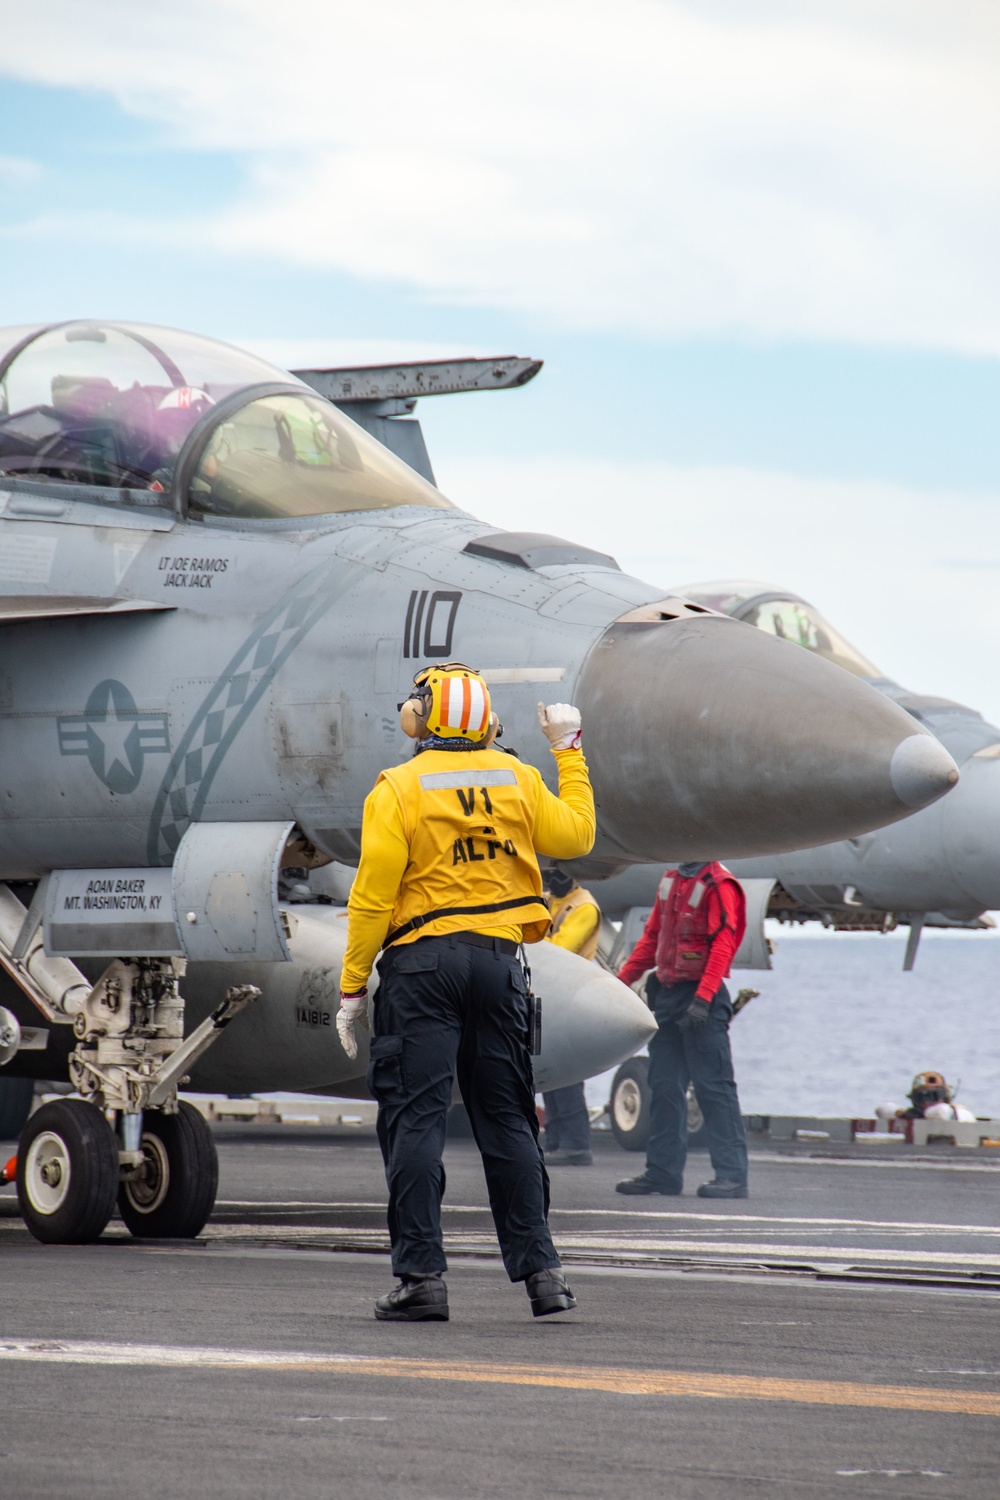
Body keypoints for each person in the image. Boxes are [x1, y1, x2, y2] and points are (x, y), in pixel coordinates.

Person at [337, 663, 596, 1322]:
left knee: (415, 1120)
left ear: (423, 718)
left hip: (421, 970)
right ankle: (544, 1277)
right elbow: (577, 837)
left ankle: (422, 1280)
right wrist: (569, 751)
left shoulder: (397, 789)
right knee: (508, 1118)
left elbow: (371, 899)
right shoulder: (518, 777)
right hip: (499, 964)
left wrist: (351, 986)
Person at [615, 860, 749, 1199]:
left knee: (713, 1089)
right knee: (663, 1086)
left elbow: (723, 943)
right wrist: (618, 984)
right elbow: (652, 939)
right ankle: (663, 1174)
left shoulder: (720, 883)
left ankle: (732, 1176)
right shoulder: (672, 880)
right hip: (670, 996)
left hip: (700, 998)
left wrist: (703, 1000)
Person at [540, 866, 601, 1167]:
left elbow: (560, 949)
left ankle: (576, 1144)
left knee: (566, 1074)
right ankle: (555, 1140)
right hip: (549, 995)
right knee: (551, 1071)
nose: (553, 877)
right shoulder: (549, 901)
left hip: (570, 996)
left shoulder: (585, 907)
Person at [875, 1071, 976, 1123]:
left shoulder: (957, 1112)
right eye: (920, 1098)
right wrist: (901, 1114)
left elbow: (941, 1112)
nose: (926, 1102)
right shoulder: (916, 1115)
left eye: (933, 1096)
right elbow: (881, 1109)